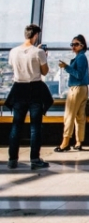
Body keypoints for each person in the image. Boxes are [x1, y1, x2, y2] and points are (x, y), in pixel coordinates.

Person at [5, 24, 53, 170]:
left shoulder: (13, 52)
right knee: (35, 127)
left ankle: (12, 159)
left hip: (19, 89)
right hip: (35, 90)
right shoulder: (39, 52)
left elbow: (13, 67)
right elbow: (44, 72)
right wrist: (44, 55)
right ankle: (35, 159)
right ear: (36, 35)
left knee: (16, 126)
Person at [55, 35, 89, 152]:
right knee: (80, 116)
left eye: (76, 44)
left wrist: (66, 67)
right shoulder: (82, 57)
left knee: (69, 115)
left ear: (82, 45)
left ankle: (65, 143)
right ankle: (79, 141)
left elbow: (78, 74)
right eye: (72, 44)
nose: (73, 47)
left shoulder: (80, 58)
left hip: (76, 89)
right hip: (83, 89)